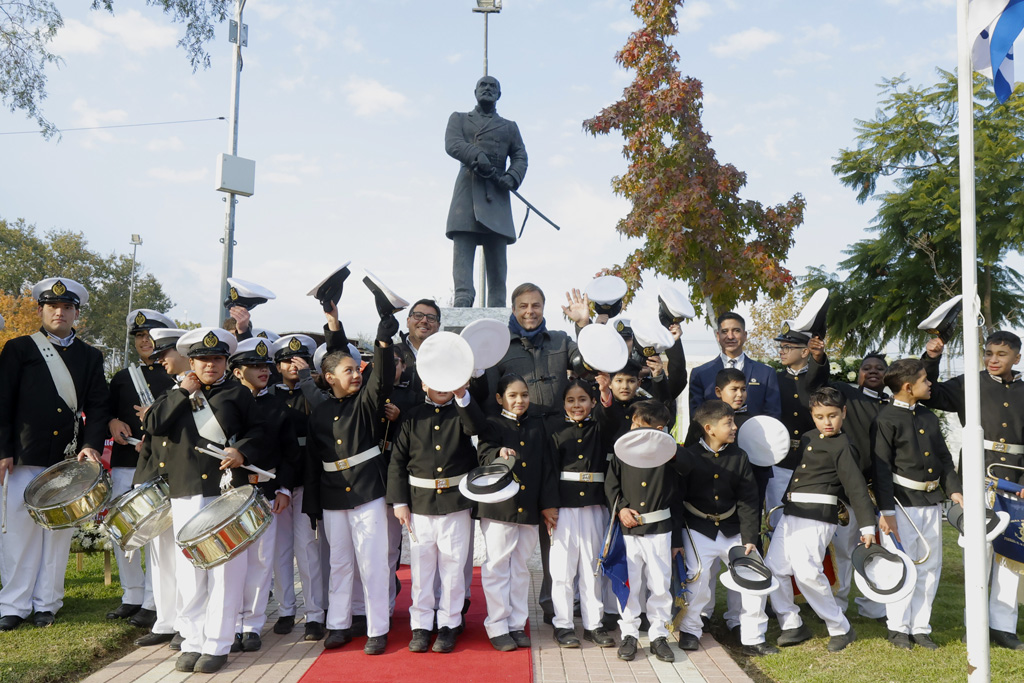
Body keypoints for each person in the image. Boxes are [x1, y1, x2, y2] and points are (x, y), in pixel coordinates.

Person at [143, 327, 263, 674]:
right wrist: (183, 391)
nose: (211, 364)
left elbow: (261, 432)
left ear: (226, 361)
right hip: (186, 491)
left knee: (226, 571)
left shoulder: (239, 395)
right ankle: (192, 640)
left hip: (227, 492)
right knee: (191, 570)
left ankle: (217, 644)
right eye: (204, 359)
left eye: (217, 358)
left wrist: (242, 451)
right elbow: (153, 424)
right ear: (191, 361)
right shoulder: (174, 393)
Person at [0, 278, 110, 632]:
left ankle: (47, 603)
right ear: (40, 310)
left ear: (76, 312)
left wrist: (90, 444)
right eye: (52, 307)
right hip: (23, 454)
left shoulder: (91, 356)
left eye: (66, 307)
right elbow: (2, 403)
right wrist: (3, 450)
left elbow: (98, 405)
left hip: (67, 459)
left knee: (57, 534)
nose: (59, 312)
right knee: (19, 533)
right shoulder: (18, 349)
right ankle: (14, 605)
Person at [920, 331, 1024, 649]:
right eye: (988, 353)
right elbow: (932, 394)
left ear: (1017, 358)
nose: (992, 359)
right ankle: (975, 624)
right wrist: (932, 358)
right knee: (979, 553)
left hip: (1017, 482)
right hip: (979, 478)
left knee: (1012, 557)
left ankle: (1004, 626)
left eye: (1001, 354)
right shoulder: (969, 383)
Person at [303, 310, 397, 655]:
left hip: (368, 490)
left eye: (357, 369)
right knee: (340, 562)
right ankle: (339, 625)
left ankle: (377, 628)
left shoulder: (365, 403)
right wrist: (311, 506)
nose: (356, 374)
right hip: (332, 496)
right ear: (329, 378)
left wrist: (383, 340)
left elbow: (381, 379)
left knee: (372, 562)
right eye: (348, 370)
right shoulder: (321, 412)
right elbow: (313, 463)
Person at [761, 387, 876, 653]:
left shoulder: (844, 446)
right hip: (792, 513)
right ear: (812, 415)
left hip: (817, 516)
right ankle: (792, 623)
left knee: (808, 573)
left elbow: (856, 488)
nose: (827, 421)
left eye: (833, 415)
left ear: (843, 413)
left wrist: (868, 526)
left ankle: (840, 627)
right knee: (774, 567)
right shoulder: (810, 437)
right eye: (820, 415)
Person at [387, 375, 485, 654]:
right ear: (423, 385)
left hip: (455, 502)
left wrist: (462, 395)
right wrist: (399, 502)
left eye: (447, 381)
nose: (441, 387)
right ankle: (420, 625)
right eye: (435, 381)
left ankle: (449, 624)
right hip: (420, 504)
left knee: (453, 568)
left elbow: (477, 426)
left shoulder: (462, 412)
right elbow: (398, 462)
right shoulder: (411, 417)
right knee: (422, 568)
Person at [872, 359, 963, 651]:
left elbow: (944, 458)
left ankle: (921, 627)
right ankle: (898, 627)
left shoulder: (928, 417)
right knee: (900, 565)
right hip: (901, 503)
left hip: (931, 500)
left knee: (931, 565)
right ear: (909, 387)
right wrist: (886, 511)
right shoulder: (885, 419)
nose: (930, 384)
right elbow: (881, 468)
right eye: (925, 380)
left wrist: (955, 492)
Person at [105, 309, 176, 628]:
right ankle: (131, 594)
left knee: (156, 535)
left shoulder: (175, 377)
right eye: (139, 336)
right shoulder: (122, 377)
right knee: (125, 532)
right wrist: (112, 421)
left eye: (151, 335)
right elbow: (105, 410)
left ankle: (152, 599)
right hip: (125, 465)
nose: (145, 341)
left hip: (160, 466)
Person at [477, 374, 558, 652]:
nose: (519, 400)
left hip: (530, 507)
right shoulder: (491, 424)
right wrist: (499, 453)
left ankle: (516, 624)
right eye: (512, 395)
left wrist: (547, 504)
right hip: (499, 507)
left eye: (524, 394)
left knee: (521, 567)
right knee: (498, 566)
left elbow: (547, 467)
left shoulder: (538, 425)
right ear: (500, 398)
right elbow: (484, 456)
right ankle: (497, 626)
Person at [228, 338, 298, 654]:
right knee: (231, 563)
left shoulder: (277, 407)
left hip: (264, 493)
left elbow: (289, 453)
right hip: (228, 494)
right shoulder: (222, 401)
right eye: (255, 366)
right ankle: (228, 623)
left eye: (265, 365)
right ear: (238, 371)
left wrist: (283, 488)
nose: (263, 371)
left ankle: (252, 625)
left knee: (260, 561)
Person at [605, 400, 680, 664]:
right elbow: (611, 485)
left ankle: (659, 635)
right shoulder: (622, 452)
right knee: (629, 582)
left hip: (660, 528)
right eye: (633, 424)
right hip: (629, 529)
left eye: (640, 426)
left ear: (659, 429)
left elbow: (680, 495)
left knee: (660, 583)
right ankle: (629, 634)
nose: (633, 430)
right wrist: (622, 509)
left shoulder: (672, 456)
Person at [445, 75, 528, 308]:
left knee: (497, 258)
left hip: (497, 191)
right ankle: (463, 296)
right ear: (475, 91)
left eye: (493, 87)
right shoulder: (459, 119)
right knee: (463, 241)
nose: (488, 89)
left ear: (499, 94)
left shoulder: (510, 127)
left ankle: (498, 304)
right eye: (484, 85)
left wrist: (512, 176)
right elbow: (452, 143)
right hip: (468, 189)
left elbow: (520, 156)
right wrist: (476, 155)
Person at [268, 333, 329, 642]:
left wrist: (309, 380)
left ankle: (316, 614)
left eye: (300, 359)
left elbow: (323, 418)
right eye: (287, 361)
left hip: (308, 478)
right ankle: (285, 610)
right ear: (277, 366)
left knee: (308, 549)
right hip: (279, 482)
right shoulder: (270, 395)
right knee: (280, 550)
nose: (293, 365)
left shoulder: (316, 391)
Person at [131, 327, 188, 649]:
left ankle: (185, 622)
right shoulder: (170, 392)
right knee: (161, 557)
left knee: (184, 558)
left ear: (182, 354)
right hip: (159, 484)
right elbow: (151, 440)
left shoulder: (196, 392)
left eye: (165, 354)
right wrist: (141, 486)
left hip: (187, 484)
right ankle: (166, 621)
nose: (160, 361)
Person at [549, 379, 616, 649]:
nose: (577, 405)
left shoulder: (601, 427)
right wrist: (549, 505)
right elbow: (548, 471)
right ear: (563, 403)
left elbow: (609, 414)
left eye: (583, 400)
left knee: (591, 568)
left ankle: (593, 624)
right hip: (563, 507)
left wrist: (604, 393)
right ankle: (563, 625)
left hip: (593, 505)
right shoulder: (555, 431)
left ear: (592, 402)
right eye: (571, 400)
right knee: (563, 569)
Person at [766, 325, 828, 528]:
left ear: (805, 351)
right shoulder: (774, 380)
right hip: (780, 460)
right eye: (781, 347)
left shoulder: (816, 380)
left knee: (810, 521)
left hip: (811, 459)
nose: (782, 351)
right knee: (777, 518)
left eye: (788, 347)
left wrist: (819, 357)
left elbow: (818, 379)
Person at [393, 299, 442, 394]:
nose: (424, 321)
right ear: (408, 321)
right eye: (418, 316)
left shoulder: (446, 356)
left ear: (438, 325)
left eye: (431, 318)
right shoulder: (393, 353)